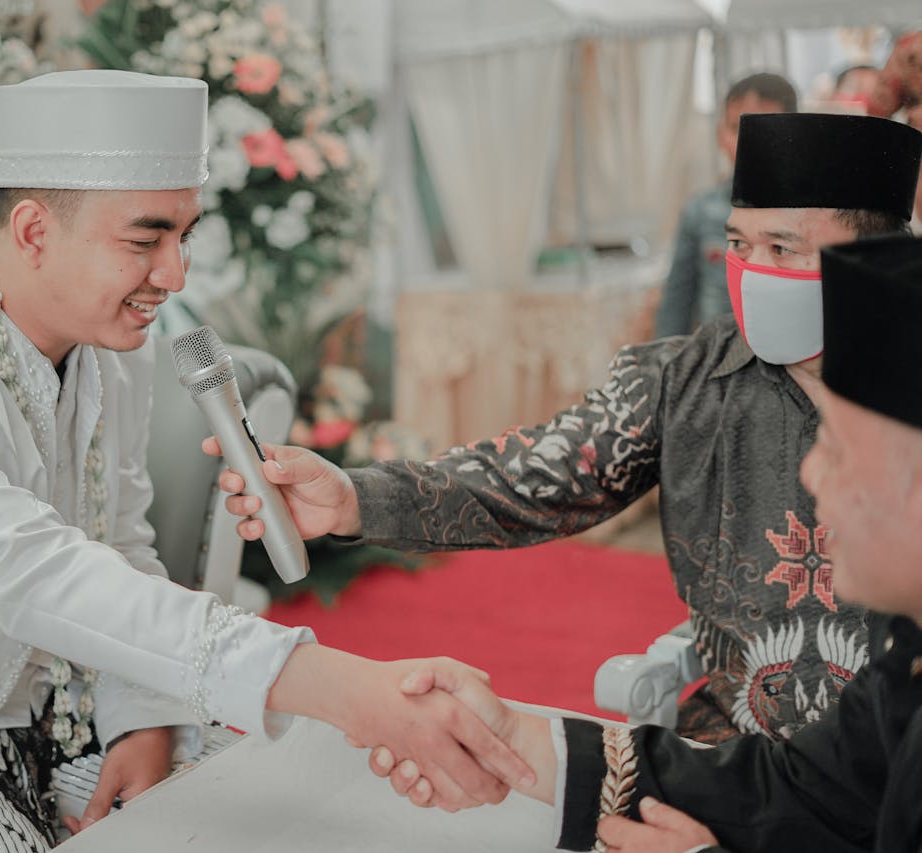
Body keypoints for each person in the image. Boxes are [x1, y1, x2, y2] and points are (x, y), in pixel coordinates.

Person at [0, 70, 529, 853]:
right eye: (146, 238)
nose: (174, 273)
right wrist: (355, 692)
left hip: (33, 724)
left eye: (185, 233)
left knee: (292, 820)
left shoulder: (113, 341)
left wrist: (144, 713)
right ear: (32, 231)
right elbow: (44, 574)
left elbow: (116, 539)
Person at [213, 112, 922, 745]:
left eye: (783, 249)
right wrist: (353, 496)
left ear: (877, 253)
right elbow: (530, 474)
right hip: (731, 745)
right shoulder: (683, 379)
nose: (753, 271)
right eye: (739, 244)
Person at [378, 234, 922, 853]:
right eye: (742, 241)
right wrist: (512, 737)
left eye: (840, 451)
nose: (810, 474)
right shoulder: (909, 651)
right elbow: (815, 787)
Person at [654, 72, 797, 338]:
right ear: (721, 135)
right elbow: (677, 302)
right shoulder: (700, 211)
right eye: (736, 128)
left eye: (765, 127)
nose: (748, 140)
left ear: (795, 134)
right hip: (718, 363)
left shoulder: (809, 214)